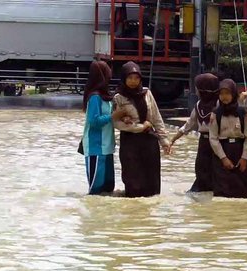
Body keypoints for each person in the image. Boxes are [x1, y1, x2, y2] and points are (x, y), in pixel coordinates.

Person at [112, 61, 171, 197]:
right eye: (130, 78)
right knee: (132, 179)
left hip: (149, 141)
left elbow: (156, 118)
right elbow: (116, 123)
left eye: (136, 78)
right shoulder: (118, 98)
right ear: (123, 79)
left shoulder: (147, 93)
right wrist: (140, 127)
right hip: (130, 142)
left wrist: (164, 140)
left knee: (151, 180)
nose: (133, 81)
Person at [82, 60, 127, 195]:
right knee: (95, 191)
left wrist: (122, 117)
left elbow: (112, 117)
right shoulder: (95, 98)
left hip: (107, 147)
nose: (110, 73)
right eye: (108, 70)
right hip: (96, 148)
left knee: (108, 189)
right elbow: (94, 121)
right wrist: (114, 116)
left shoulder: (105, 97)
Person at [170, 73, 219, 192]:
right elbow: (188, 125)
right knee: (202, 168)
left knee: (217, 169)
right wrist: (172, 140)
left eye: (197, 87)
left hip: (218, 142)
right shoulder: (198, 106)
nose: (196, 90)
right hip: (204, 142)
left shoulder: (219, 105)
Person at [209, 79, 247, 198]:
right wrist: (223, 158)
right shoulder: (215, 114)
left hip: (240, 151)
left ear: (234, 94)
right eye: (221, 93)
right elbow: (213, 138)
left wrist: (244, 158)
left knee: (245, 192)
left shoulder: (243, 112)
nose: (224, 97)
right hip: (222, 153)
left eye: (227, 93)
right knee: (222, 192)